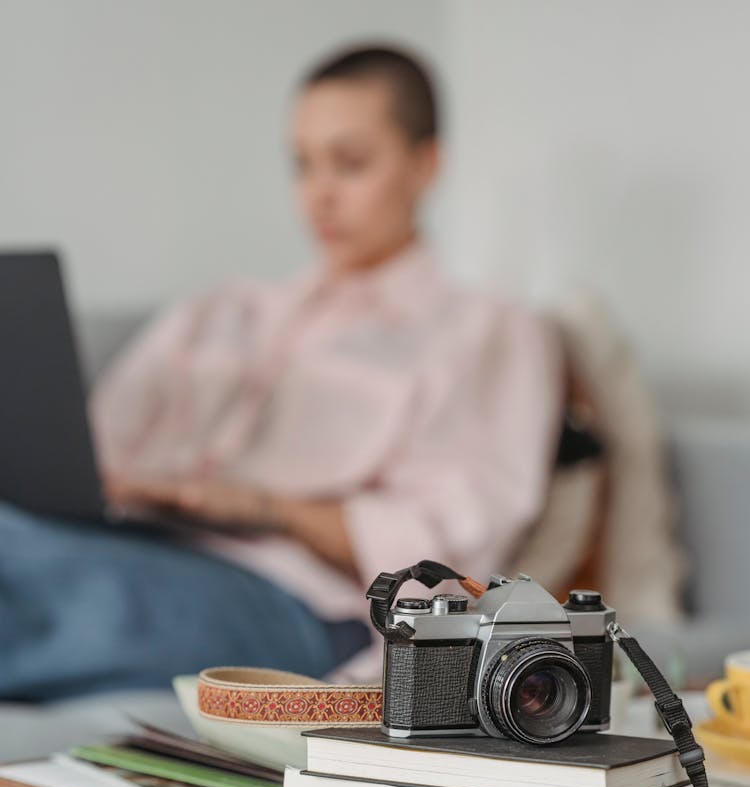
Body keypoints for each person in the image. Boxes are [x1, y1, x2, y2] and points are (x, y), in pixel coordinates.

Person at [0, 45, 563, 701]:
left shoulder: (487, 331)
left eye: (350, 163)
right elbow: (81, 453)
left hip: (288, 596)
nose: (319, 195)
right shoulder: (219, 312)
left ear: (424, 164)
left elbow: (448, 560)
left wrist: (271, 508)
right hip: (118, 540)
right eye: (302, 165)